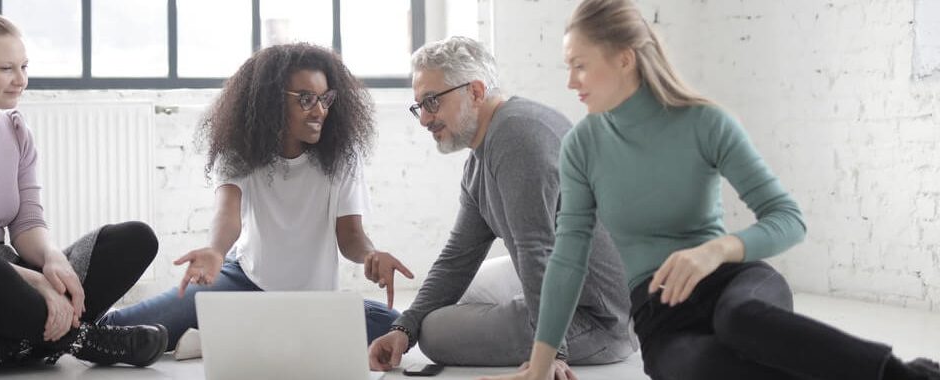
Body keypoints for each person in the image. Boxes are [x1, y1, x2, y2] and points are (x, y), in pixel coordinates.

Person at [487, 1, 940, 379]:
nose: (571, 82)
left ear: (624, 58)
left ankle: (907, 376)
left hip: (733, 284)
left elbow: (787, 218)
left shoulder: (705, 123)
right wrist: (544, 362)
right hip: (658, 313)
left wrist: (715, 251)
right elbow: (568, 256)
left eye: (580, 66)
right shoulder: (581, 146)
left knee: (741, 321)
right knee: (705, 365)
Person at [0, 14, 167, 378]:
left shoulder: (17, 131)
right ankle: (87, 341)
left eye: (24, 66)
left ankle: (3, 348)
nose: (21, 79)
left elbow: (27, 225)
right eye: (7, 68)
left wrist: (53, 261)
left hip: (9, 267)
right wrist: (39, 284)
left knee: (135, 239)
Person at [100, 43, 413, 350]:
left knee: (394, 325)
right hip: (242, 282)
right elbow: (227, 213)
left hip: (312, 302)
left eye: (325, 98)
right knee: (120, 328)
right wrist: (216, 251)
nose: (320, 111)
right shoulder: (240, 151)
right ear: (271, 102)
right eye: (305, 99)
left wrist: (370, 254)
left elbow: (350, 236)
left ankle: (228, 334)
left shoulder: (343, 156)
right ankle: (242, 332)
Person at [367, 36, 632, 374]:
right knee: (440, 308)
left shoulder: (518, 137)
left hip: (599, 318)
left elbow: (537, 250)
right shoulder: (482, 155)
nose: (423, 119)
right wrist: (403, 329)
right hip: (566, 280)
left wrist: (550, 355)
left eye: (432, 102)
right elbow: (457, 258)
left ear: (475, 92)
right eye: (420, 105)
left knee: (434, 333)